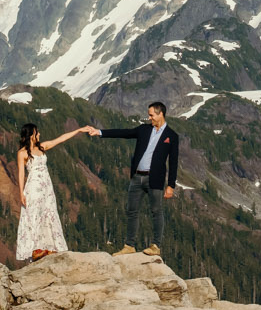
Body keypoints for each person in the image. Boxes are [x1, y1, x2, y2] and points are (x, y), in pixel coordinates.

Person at [93, 102, 180, 252]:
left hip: (155, 179)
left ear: (161, 114)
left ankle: (156, 246)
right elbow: (123, 133)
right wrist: (100, 132)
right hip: (137, 178)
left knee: (156, 211)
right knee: (132, 211)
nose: (149, 117)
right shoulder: (144, 130)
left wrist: (171, 185)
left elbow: (173, 162)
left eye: (152, 115)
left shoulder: (171, 136)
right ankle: (129, 245)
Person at [14, 122, 95, 263]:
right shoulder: (22, 153)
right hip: (34, 187)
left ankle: (48, 246)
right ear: (32, 135)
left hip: (47, 188)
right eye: (37, 132)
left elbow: (61, 138)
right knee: (35, 215)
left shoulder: (42, 147)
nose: (39, 134)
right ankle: (36, 249)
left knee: (49, 213)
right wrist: (21, 193)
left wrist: (79, 130)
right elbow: (21, 174)